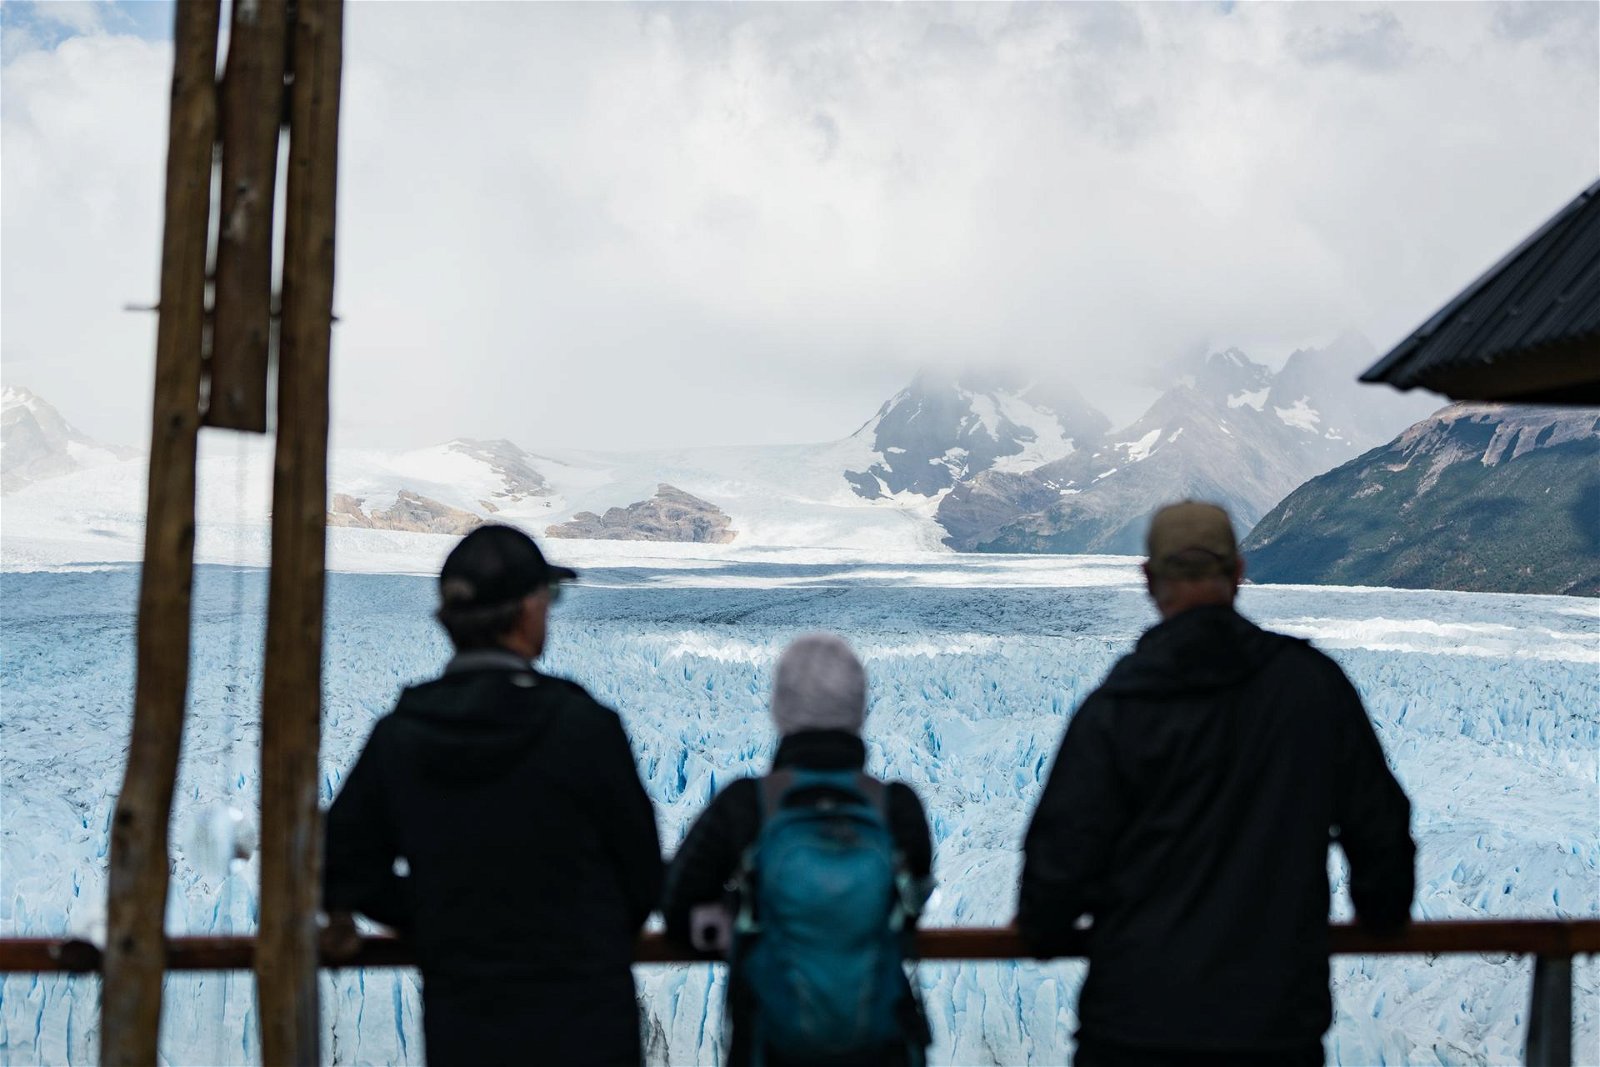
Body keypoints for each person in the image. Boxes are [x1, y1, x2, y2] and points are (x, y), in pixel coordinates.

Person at [1017, 500, 1415, 1067]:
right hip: (1272, 1029)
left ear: (1150, 579)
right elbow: (1380, 826)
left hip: (1135, 1028)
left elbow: (1056, 865)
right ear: (1237, 573)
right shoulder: (1311, 687)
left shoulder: (1118, 707)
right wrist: (1381, 914)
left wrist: (1046, 928)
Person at [323, 524, 662, 1066]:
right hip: (588, 1028)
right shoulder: (583, 727)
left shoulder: (403, 735)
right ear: (527, 611)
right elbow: (643, 876)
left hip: (467, 1032)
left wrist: (437, 918)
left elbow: (340, 863)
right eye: (549, 596)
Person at [662, 634, 935, 1067]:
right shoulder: (897, 808)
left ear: (779, 709)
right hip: (879, 1048)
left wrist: (740, 907)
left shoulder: (746, 805)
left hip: (772, 1045)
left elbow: (678, 901)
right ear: (860, 709)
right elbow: (913, 900)